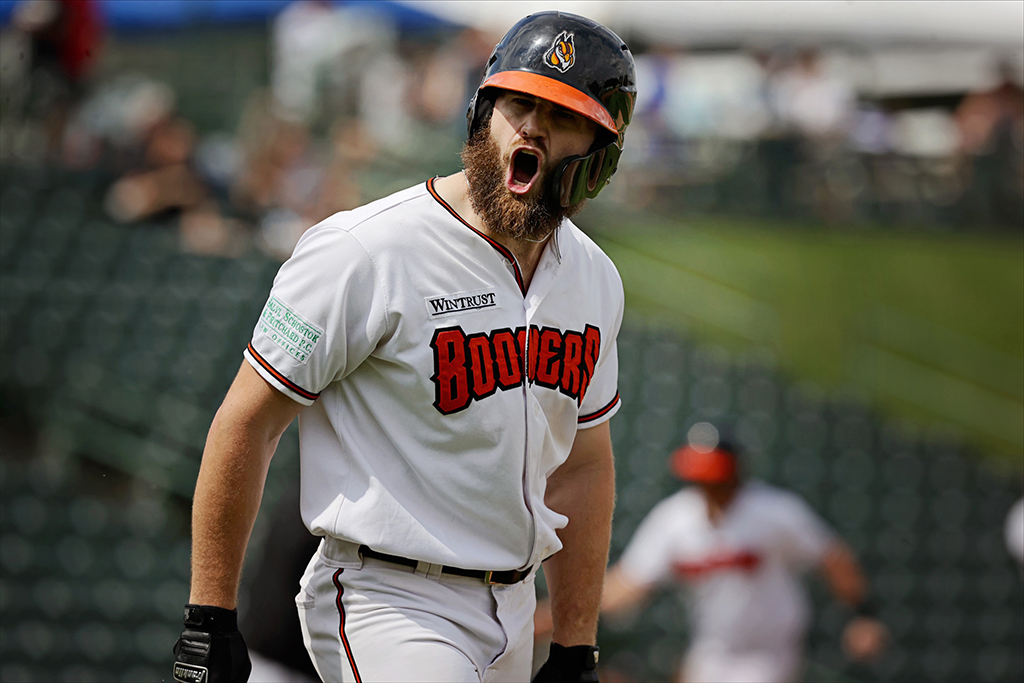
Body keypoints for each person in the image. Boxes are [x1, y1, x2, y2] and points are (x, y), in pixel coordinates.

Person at [172, 11, 636, 683]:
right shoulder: (365, 249)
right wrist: (208, 614)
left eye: (560, 114)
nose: (531, 126)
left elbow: (584, 466)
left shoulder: (595, 278)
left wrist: (574, 645)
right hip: (387, 596)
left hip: (513, 603)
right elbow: (249, 418)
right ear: (482, 113)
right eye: (517, 102)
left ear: (602, 151)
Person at [542, 422, 887, 683]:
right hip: (710, 652)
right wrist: (551, 617)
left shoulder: (775, 512)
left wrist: (863, 615)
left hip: (770, 655)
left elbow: (834, 558)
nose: (706, 484)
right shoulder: (675, 518)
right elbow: (627, 586)